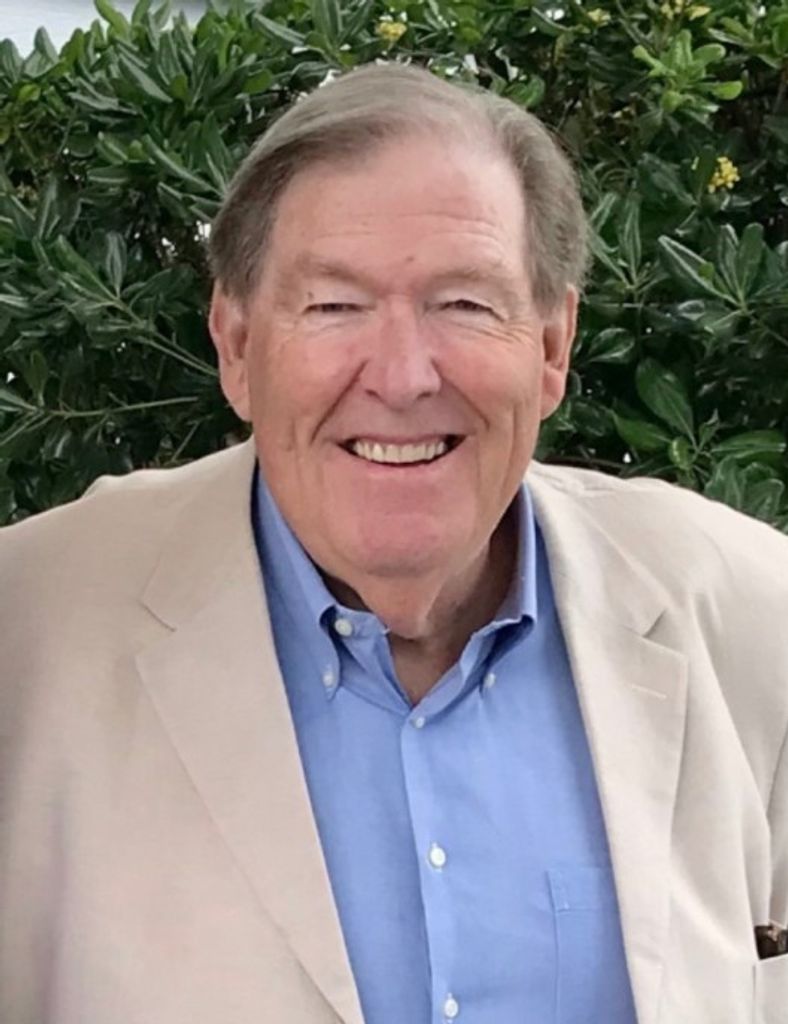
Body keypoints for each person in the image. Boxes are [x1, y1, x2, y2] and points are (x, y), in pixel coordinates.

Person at [1, 62, 786, 1024]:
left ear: (552, 346)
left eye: (465, 304)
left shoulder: (750, 613)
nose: (404, 375)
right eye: (334, 305)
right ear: (237, 347)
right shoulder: (29, 630)